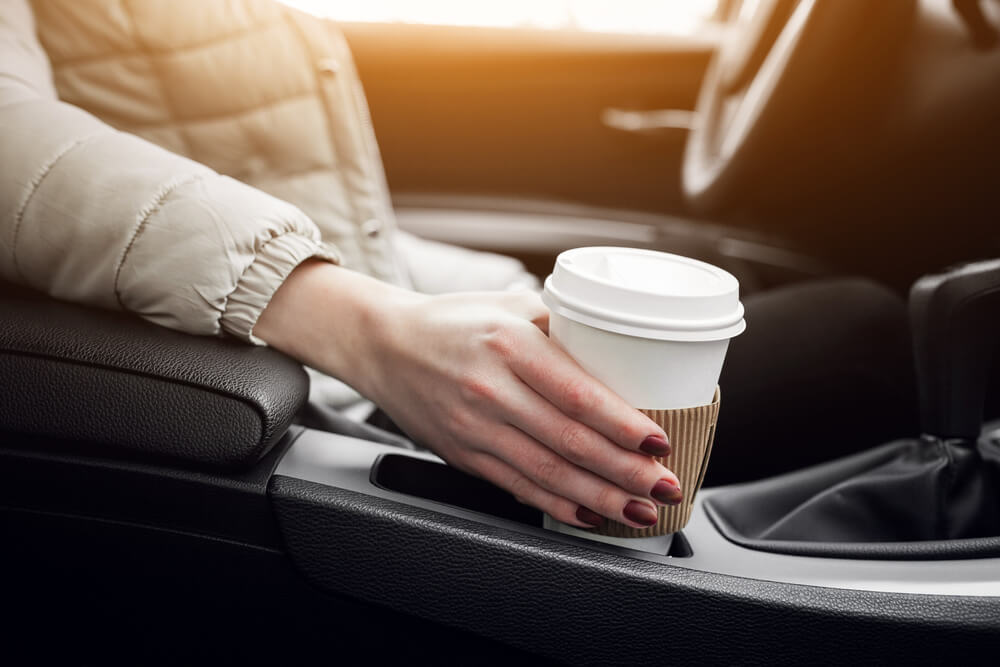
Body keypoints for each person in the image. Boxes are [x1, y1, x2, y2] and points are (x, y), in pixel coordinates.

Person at [0, 0, 916, 529]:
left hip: (305, 341)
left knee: (835, 324)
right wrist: (367, 328)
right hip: (285, 397)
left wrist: (506, 297)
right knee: (868, 334)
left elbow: (305, 203)